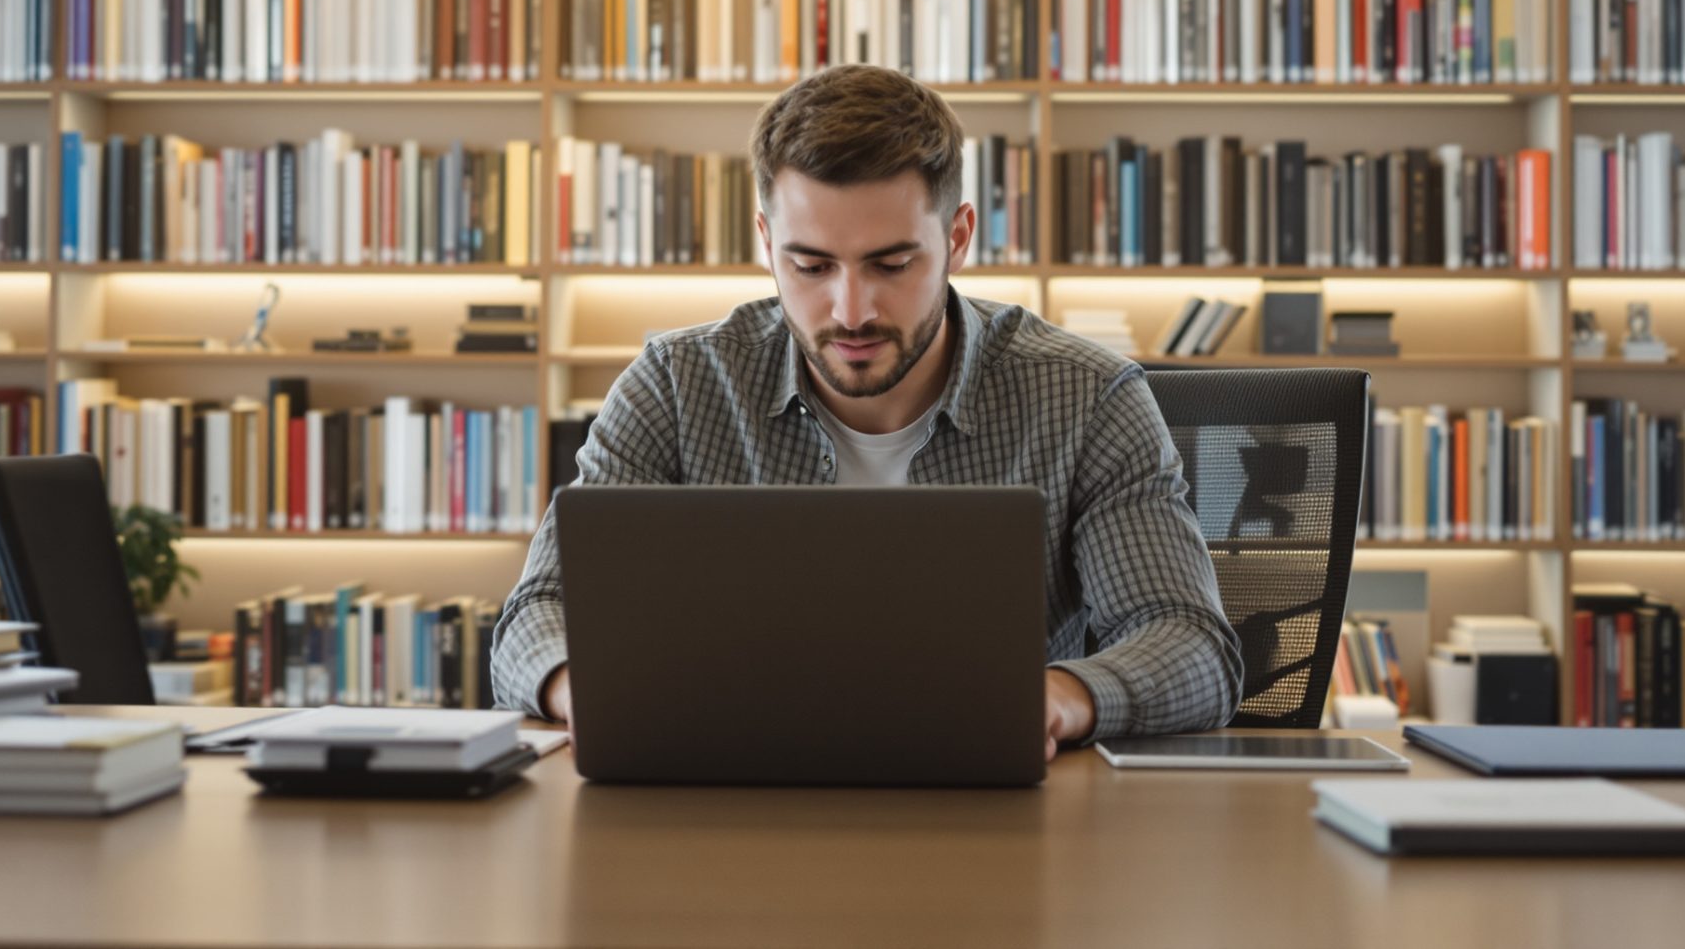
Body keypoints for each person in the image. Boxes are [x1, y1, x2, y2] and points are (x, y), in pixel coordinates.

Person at [491, 66, 1241, 758]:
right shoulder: (677, 384)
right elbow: (540, 609)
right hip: (729, 808)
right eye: (810, 265)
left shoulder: (1088, 397)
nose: (850, 310)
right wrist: (577, 683)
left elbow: (1190, 642)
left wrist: (1060, 697)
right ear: (765, 243)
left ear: (957, 238)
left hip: (1000, 818)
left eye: (891, 263)